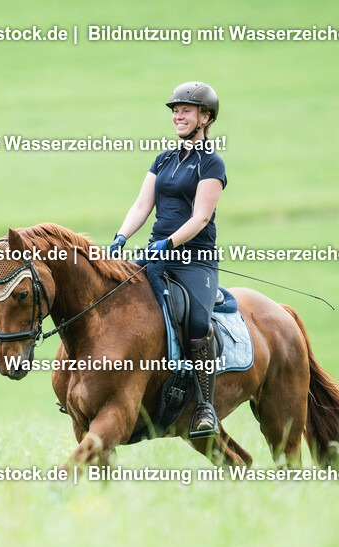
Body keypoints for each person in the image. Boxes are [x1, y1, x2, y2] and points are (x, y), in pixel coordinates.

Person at [110, 81, 226, 437]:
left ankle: (205, 407)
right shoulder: (163, 159)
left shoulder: (212, 163)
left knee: (196, 324)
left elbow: (201, 218)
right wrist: (121, 236)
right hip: (155, 253)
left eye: (186, 110)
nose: (178, 115)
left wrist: (171, 243)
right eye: (175, 110)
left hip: (195, 260)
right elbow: (143, 204)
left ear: (205, 118)